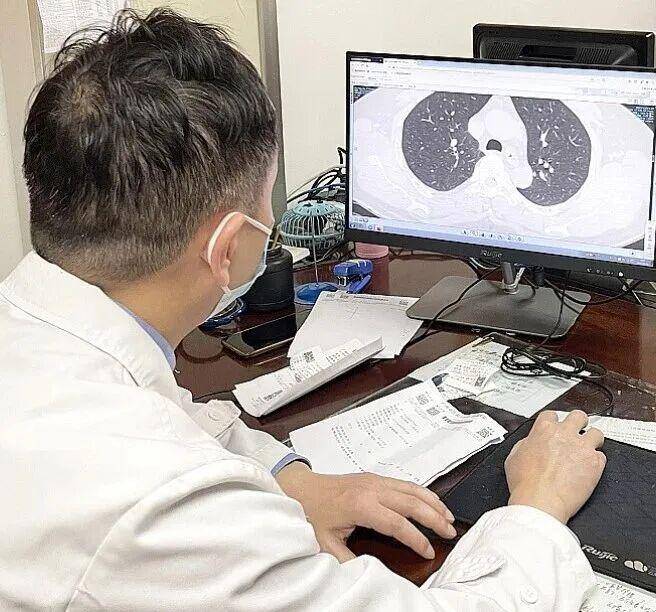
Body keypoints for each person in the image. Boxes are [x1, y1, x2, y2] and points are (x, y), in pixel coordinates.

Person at [0, 9, 606, 610]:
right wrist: (539, 506)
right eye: (268, 203)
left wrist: (292, 479)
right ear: (229, 249)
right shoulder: (172, 510)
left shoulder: (48, 339)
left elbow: (179, 417)